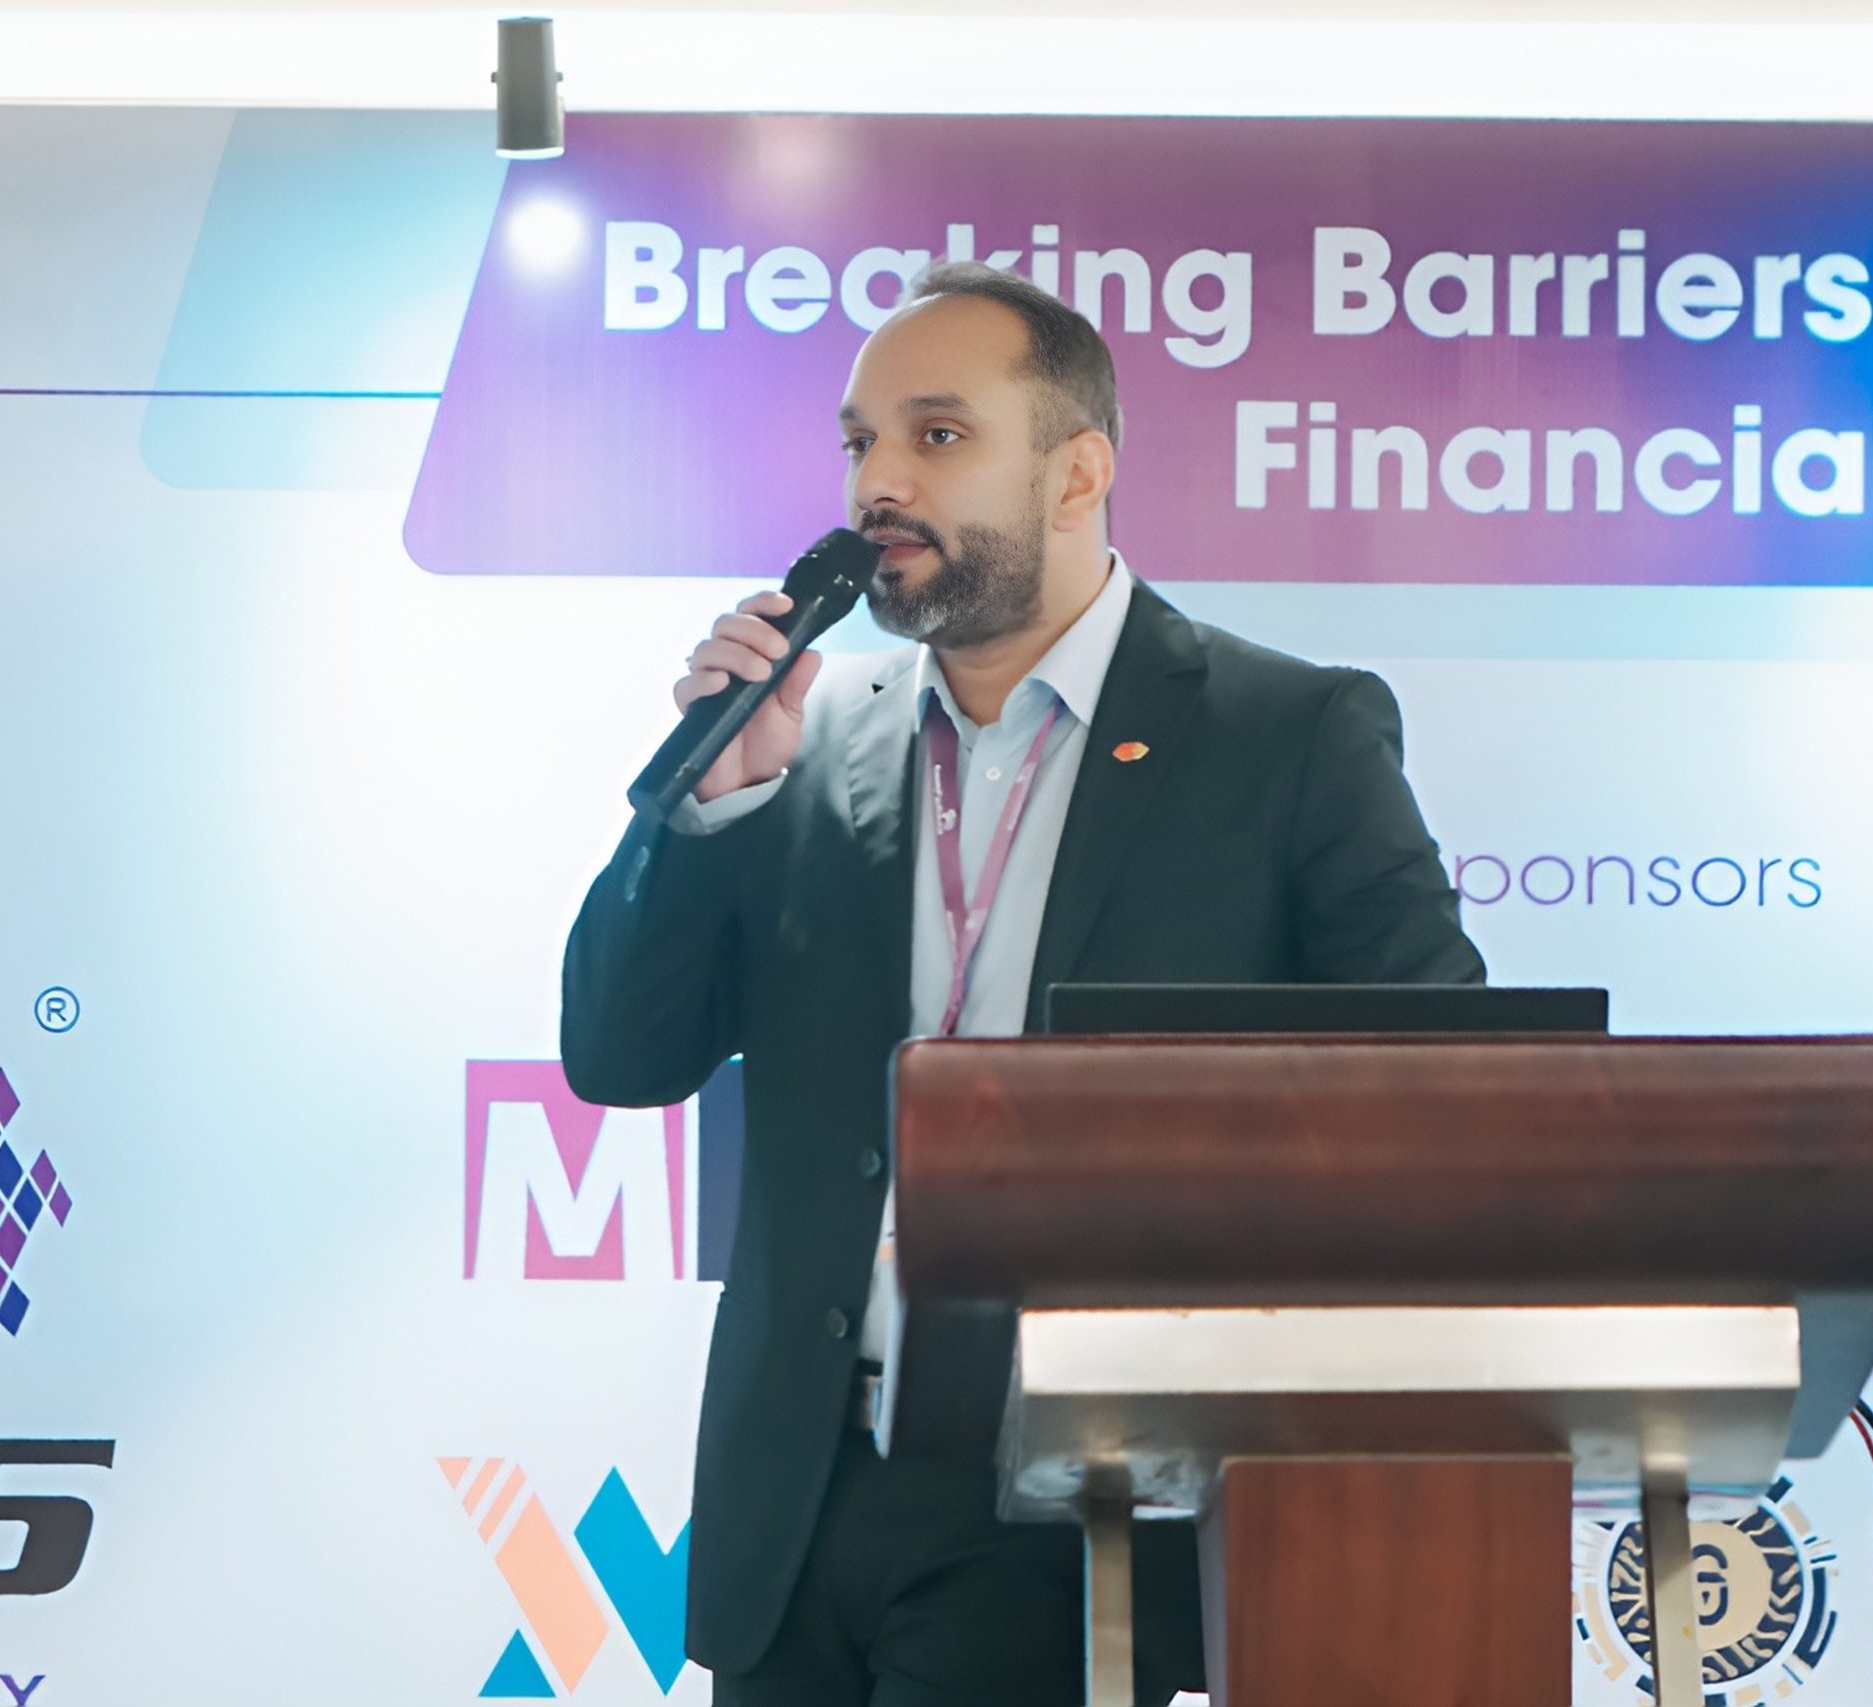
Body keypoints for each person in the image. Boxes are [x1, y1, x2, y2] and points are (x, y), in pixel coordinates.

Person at [560, 259, 1485, 1707]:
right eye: (860, 442)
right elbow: (621, 1055)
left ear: (1077, 473)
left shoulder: (1285, 735)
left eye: (938, 435)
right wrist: (707, 809)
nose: (879, 483)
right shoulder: (798, 742)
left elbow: (1448, 1100)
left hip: (1071, 1511)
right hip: (794, 1509)